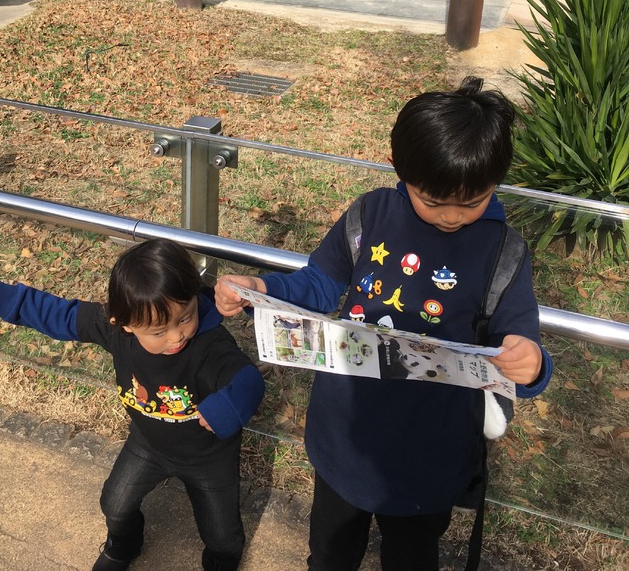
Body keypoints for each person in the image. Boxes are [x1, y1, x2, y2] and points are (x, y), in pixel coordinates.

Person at [215, 76, 553, 571]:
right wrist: (263, 291)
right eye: (434, 201)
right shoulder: (371, 214)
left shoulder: (503, 252)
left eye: (474, 201)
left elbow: (518, 338)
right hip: (344, 430)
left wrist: (532, 362)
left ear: (496, 181)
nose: (454, 217)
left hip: (431, 446)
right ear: (399, 168)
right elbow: (320, 284)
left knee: (413, 556)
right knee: (330, 552)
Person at [0, 238, 265, 571]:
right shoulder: (116, 330)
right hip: (147, 443)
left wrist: (228, 406)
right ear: (124, 323)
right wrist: (8, 298)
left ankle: (221, 563)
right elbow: (63, 316)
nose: (176, 336)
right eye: (158, 331)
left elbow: (247, 379)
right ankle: (122, 546)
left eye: (185, 318)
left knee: (223, 535)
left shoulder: (210, 344)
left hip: (209, 457)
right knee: (114, 503)